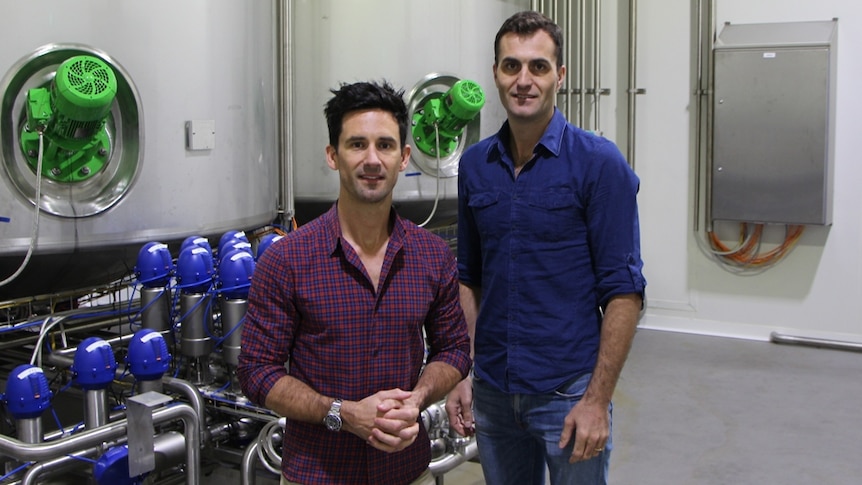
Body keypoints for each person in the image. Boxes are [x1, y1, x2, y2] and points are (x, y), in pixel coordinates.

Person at [445, 10, 646, 485]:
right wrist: (462, 372)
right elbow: (469, 277)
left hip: (568, 393)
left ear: (560, 75)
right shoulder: (475, 166)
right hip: (493, 392)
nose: (524, 80)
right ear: (495, 73)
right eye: (511, 66)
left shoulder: (598, 163)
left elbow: (624, 292)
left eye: (538, 66)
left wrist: (597, 401)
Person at [237, 80, 472, 485]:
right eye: (356, 144)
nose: (372, 159)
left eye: (385, 145)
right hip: (318, 473)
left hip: (406, 471)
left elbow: (454, 349)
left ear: (404, 157)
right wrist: (342, 414)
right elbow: (258, 372)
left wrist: (416, 399)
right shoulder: (286, 259)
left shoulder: (432, 256)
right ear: (333, 155)